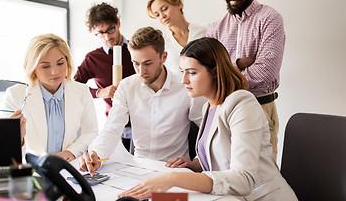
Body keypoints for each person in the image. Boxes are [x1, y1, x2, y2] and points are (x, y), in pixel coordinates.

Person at [119, 38, 298, 201]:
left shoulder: (242, 103)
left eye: (192, 73)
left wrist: (173, 178)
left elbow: (244, 179)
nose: (183, 80)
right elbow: (221, 153)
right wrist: (196, 164)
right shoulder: (209, 106)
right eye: (183, 72)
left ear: (215, 72)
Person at [78, 27, 205, 175]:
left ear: (164, 57)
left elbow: (208, 128)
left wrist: (198, 161)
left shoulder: (185, 86)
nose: (141, 71)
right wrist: (96, 154)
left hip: (176, 170)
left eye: (147, 63)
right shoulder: (127, 86)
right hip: (138, 169)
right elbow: (112, 127)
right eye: (136, 63)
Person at [206, 0, 285, 163]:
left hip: (260, 108)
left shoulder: (270, 19)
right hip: (224, 111)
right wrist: (241, 63)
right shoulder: (215, 28)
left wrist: (227, 69)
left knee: (263, 181)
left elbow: (265, 71)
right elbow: (210, 74)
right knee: (225, 173)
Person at [4, 34, 98, 161]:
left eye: (60, 63)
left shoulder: (82, 91)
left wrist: (72, 152)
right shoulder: (15, 95)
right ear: (32, 67)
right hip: (33, 171)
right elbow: (5, 148)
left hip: (69, 167)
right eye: (45, 66)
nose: (55, 71)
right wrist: (17, 137)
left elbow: (91, 132)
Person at [74, 3, 135, 151]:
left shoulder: (136, 49)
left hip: (144, 123)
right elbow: (74, 87)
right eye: (100, 33)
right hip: (116, 128)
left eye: (110, 29)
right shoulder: (93, 59)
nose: (107, 36)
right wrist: (99, 92)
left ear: (118, 23)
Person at [147, 0, 208, 74]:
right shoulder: (161, 42)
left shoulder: (205, 31)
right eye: (157, 15)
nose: (162, 16)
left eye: (164, 9)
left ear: (178, 4)